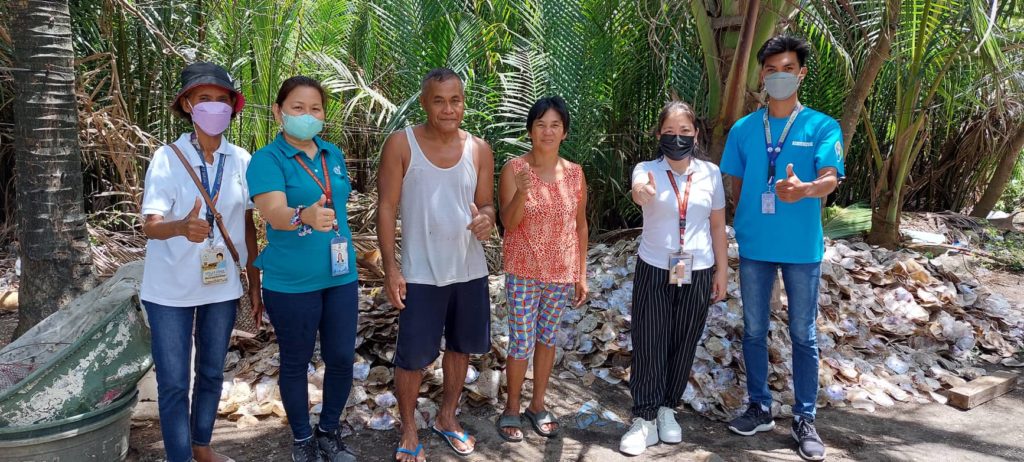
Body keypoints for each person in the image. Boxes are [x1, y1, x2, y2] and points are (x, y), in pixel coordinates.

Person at [720, 35, 844, 462]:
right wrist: (749, 219)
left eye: (787, 68)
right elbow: (735, 183)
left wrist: (805, 189)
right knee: (753, 330)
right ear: (761, 74)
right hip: (755, 245)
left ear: (801, 73)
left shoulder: (822, 126)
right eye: (771, 70)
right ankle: (759, 407)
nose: (778, 76)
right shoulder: (743, 128)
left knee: (802, 334)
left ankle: (805, 419)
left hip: (802, 249)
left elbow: (831, 177)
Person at [140, 62, 261, 462]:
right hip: (169, 288)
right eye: (203, 99)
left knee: (211, 372)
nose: (213, 107)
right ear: (188, 105)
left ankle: (201, 445)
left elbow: (247, 222)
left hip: (221, 285)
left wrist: (254, 282)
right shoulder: (166, 158)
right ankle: (179, 457)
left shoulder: (241, 159)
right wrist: (180, 227)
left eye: (221, 99)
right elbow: (150, 225)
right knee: (174, 381)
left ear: (232, 106)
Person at [377, 68, 495, 461]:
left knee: (460, 349)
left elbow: (487, 203)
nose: (448, 108)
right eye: (439, 100)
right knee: (412, 357)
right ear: (425, 102)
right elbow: (387, 207)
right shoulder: (401, 144)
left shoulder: (479, 148)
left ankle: (447, 417)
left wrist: (487, 218)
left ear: (464, 102)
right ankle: (409, 428)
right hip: (420, 271)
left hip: (468, 268)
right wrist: (391, 269)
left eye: (455, 100)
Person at [247, 76, 359, 462]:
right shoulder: (267, 159)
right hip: (292, 282)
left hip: (340, 276)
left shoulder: (333, 154)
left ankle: (328, 432)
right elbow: (273, 214)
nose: (307, 116)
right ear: (278, 112)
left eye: (315, 108)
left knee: (342, 357)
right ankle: (301, 440)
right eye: (298, 108)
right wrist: (304, 215)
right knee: (296, 360)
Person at [618, 101, 729, 455]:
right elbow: (639, 189)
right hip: (654, 266)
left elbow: (716, 224)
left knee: (684, 341)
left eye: (684, 133)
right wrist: (642, 192)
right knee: (650, 340)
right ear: (659, 135)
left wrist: (722, 270)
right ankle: (644, 417)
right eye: (669, 133)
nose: (677, 139)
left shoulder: (710, 173)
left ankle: (668, 409)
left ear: (695, 134)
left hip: (697, 269)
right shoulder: (647, 169)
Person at [496, 96, 588, 443]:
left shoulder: (576, 174)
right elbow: (508, 222)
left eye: (555, 125)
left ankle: (538, 405)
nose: (547, 132)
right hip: (523, 269)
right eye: (540, 125)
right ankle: (512, 408)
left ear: (564, 131)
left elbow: (580, 226)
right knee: (521, 341)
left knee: (547, 339)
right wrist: (521, 192)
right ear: (530, 130)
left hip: (560, 272)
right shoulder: (515, 168)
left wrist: (581, 273)